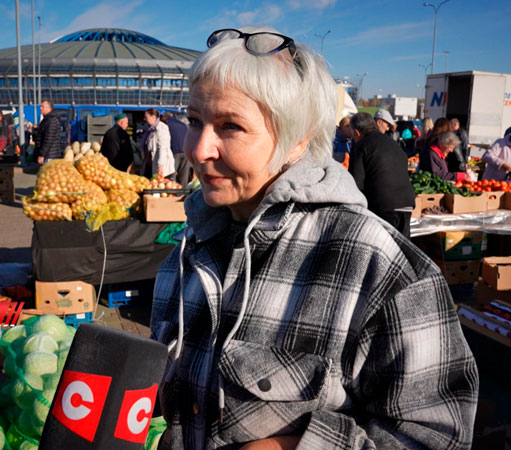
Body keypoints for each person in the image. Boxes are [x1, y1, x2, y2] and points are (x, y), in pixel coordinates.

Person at [150, 26, 478, 450]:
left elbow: (438, 437)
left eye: (230, 126)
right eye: (195, 121)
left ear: (296, 140)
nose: (198, 150)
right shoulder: (189, 250)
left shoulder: (380, 269)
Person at [348, 112, 415, 237]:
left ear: (357, 132)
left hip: (383, 206)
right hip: (406, 203)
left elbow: (355, 183)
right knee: (402, 251)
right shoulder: (393, 143)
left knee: (383, 250)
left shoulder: (361, 146)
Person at [140, 108, 175, 179]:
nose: (144, 119)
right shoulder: (150, 130)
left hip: (160, 165)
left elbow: (163, 148)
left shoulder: (162, 128)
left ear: (153, 117)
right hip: (150, 162)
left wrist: (160, 165)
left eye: (146, 117)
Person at [163, 112, 191, 186]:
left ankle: (173, 192)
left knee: (172, 173)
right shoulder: (183, 124)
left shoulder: (166, 125)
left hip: (174, 151)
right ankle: (183, 192)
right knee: (184, 174)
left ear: (165, 117)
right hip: (185, 151)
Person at [36, 99, 62, 164]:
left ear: (49, 108)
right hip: (48, 155)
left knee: (47, 173)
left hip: (50, 156)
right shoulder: (47, 119)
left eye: (42, 107)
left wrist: (42, 155)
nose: (40, 108)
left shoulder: (51, 120)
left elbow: (48, 139)